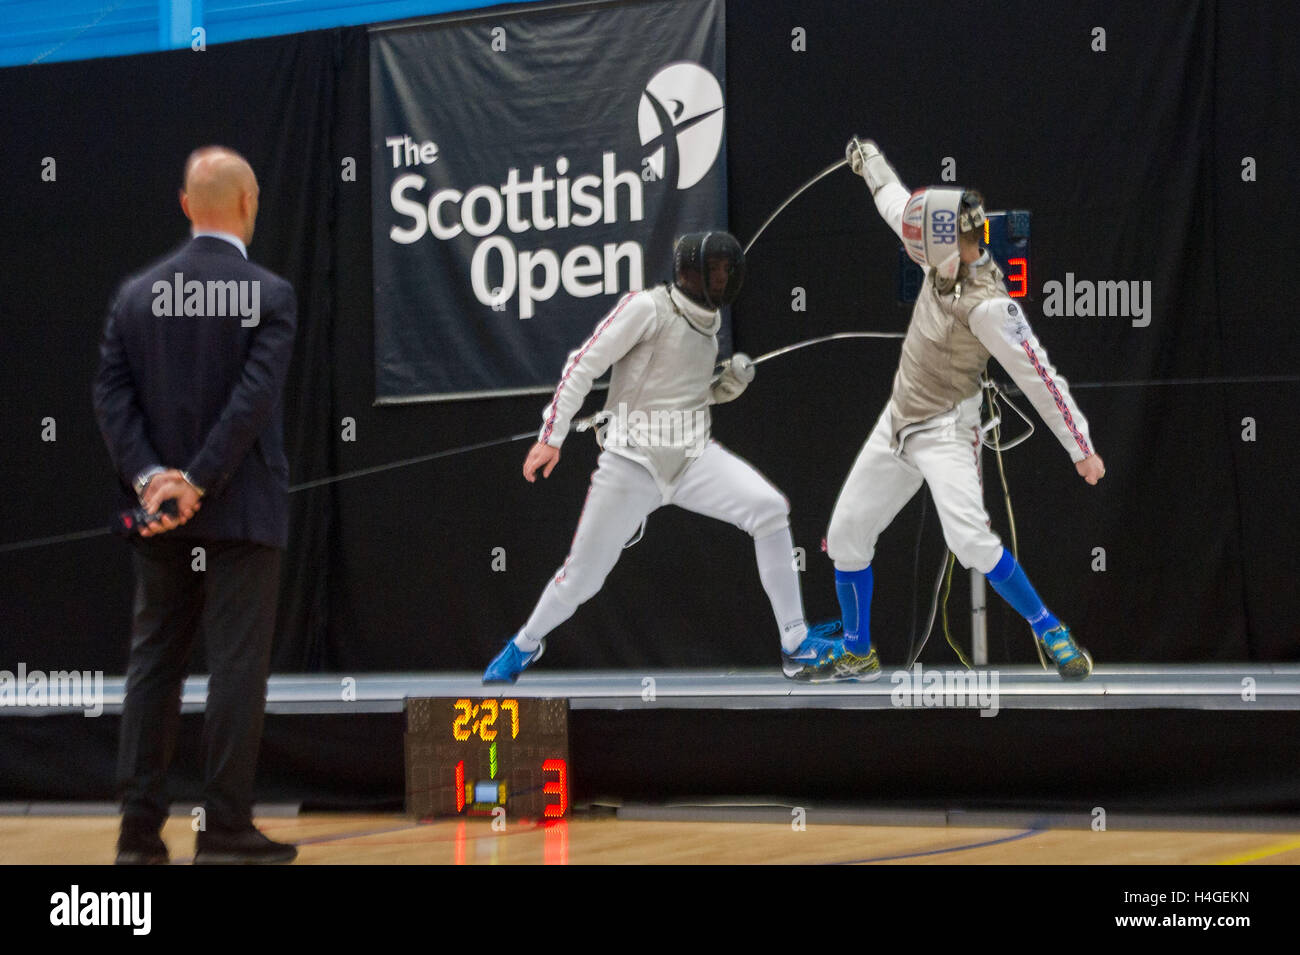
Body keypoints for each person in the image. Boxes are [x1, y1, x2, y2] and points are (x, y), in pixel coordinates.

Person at [483, 232, 844, 683]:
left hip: (693, 457)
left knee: (769, 509)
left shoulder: (709, 327)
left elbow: (677, 394)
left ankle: (795, 644)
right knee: (582, 579)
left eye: (726, 271)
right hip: (632, 463)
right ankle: (524, 645)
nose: (721, 277)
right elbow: (583, 364)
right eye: (715, 269)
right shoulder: (647, 308)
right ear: (691, 270)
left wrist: (720, 389)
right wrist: (551, 437)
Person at [825, 138, 1106, 681]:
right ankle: (857, 650)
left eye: (919, 243)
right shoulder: (942, 244)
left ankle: (1049, 628)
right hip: (898, 420)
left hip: (948, 430)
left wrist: (1082, 449)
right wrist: (871, 161)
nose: (911, 248)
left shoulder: (990, 308)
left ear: (948, 246)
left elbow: (1041, 378)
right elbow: (892, 199)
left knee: (971, 540)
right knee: (845, 535)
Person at [93, 146, 299, 863]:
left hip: (159, 516)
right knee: (236, 669)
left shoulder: (135, 295)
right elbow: (251, 404)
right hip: (239, 514)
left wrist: (154, 477)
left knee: (154, 666)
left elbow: (110, 396)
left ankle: (136, 836)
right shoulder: (268, 294)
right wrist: (199, 480)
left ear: (186, 205)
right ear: (249, 203)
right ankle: (226, 830)